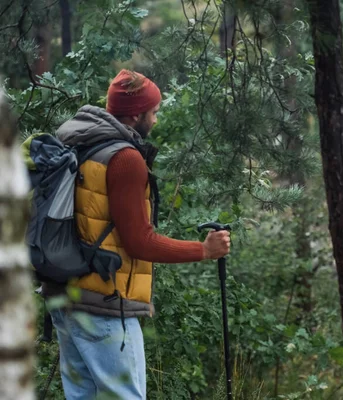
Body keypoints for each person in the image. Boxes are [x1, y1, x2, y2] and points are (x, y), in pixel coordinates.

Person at [43, 69, 231, 399]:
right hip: (105, 304)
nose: (156, 120)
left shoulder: (78, 142)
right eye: (154, 112)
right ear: (136, 114)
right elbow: (139, 240)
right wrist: (203, 250)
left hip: (66, 294)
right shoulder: (125, 159)